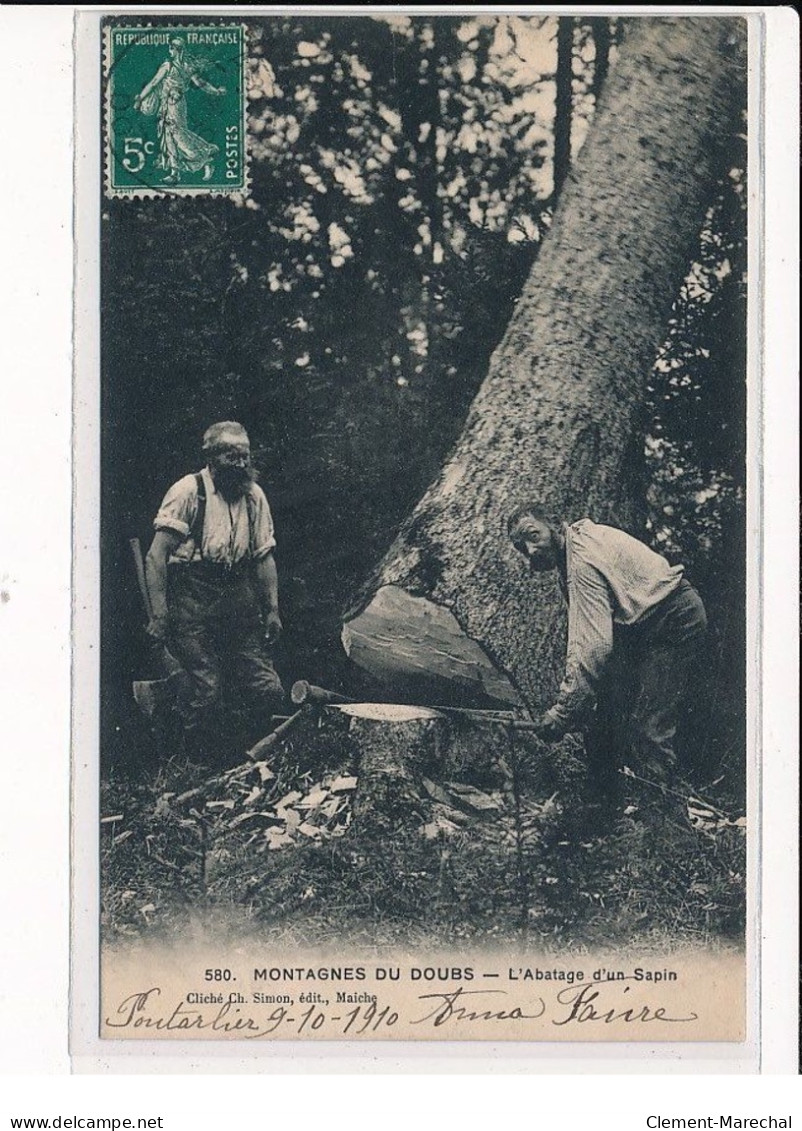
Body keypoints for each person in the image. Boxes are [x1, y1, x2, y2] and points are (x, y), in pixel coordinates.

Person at [507, 506, 707, 805]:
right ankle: (603, 809)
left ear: (554, 524)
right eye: (522, 546)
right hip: (644, 627)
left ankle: (662, 822)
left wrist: (563, 712)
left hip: (673, 620)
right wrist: (581, 706)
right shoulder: (576, 547)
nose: (531, 549)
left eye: (533, 535)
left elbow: (593, 646)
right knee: (603, 715)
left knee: (649, 726)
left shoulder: (581, 561)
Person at [145, 422, 285, 760]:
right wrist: (161, 614)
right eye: (230, 455)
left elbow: (264, 557)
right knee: (205, 688)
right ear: (211, 457)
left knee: (266, 687)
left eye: (244, 455)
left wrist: (272, 611)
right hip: (192, 597)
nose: (239, 463)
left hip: (238, 596)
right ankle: (192, 765)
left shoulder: (254, 496)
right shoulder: (188, 491)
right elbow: (156, 555)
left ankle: (255, 761)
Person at [134, 37, 225, 185]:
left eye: (172, 48)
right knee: (172, 135)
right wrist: (216, 91)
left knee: (177, 135)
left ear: (178, 50)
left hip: (173, 104)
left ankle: (204, 158)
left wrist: (140, 98)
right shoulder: (187, 66)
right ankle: (175, 172)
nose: (170, 51)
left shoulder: (168, 66)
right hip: (175, 104)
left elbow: (153, 83)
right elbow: (201, 84)